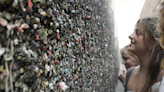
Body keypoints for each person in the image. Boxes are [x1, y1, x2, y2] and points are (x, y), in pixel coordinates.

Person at [125, 17, 164, 92]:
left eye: (138, 33)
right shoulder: (130, 72)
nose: (130, 36)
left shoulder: (162, 77)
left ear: (152, 43)